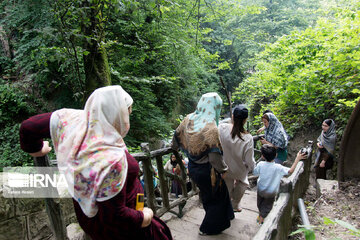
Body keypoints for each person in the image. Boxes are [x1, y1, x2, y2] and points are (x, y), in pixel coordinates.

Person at [19, 85, 172, 240]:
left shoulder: (73, 120)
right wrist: (145, 217)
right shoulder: (111, 162)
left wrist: (36, 149)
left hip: (87, 215)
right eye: (127, 112)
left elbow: (28, 127)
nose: (128, 117)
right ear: (116, 114)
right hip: (119, 230)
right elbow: (115, 217)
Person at [172, 92, 234, 236]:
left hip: (193, 168)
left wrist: (178, 149)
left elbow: (175, 139)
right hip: (208, 171)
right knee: (216, 199)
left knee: (211, 195)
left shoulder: (188, 119)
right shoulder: (211, 128)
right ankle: (206, 228)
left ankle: (225, 219)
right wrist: (223, 170)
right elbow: (214, 156)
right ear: (215, 107)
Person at [253, 144, 307, 225]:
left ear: (263, 156)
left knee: (260, 203)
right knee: (267, 206)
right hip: (271, 192)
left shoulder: (260, 164)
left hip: (260, 189)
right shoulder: (278, 167)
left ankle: (261, 217)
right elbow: (290, 171)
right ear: (276, 155)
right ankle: (261, 220)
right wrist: (297, 159)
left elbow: (254, 172)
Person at [218, 105, 256, 212]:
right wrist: (252, 167)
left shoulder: (222, 128)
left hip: (224, 167)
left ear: (233, 116)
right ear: (245, 120)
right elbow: (249, 160)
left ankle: (226, 205)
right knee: (243, 182)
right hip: (239, 170)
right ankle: (234, 205)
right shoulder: (248, 138)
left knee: (227, 185)